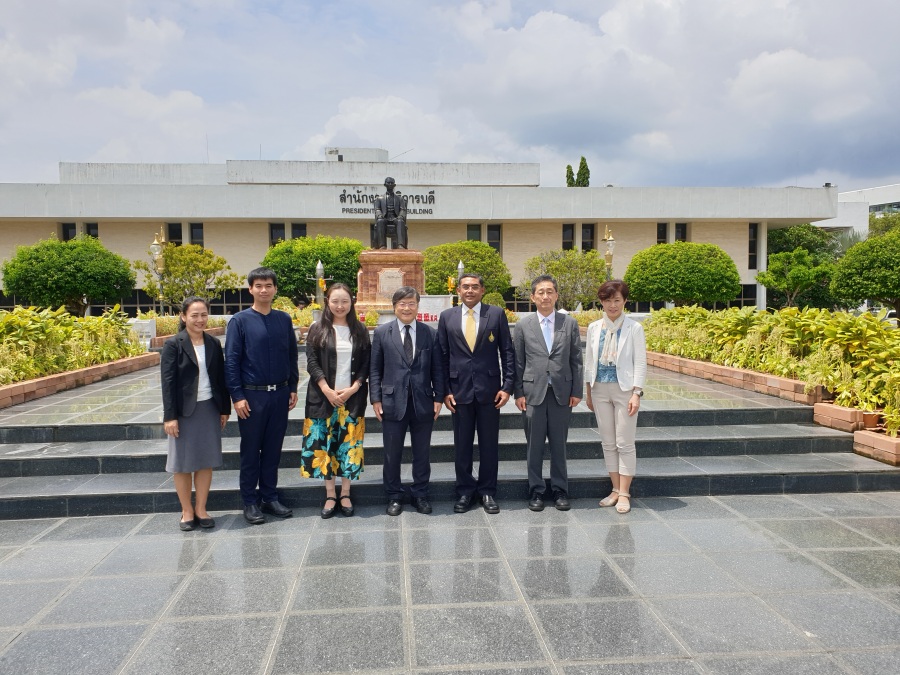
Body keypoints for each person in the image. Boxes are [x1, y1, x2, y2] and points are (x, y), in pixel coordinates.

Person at [225, 267, 299, 525]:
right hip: (251, 398)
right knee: (250, 450)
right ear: (251, 289)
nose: (264, 290)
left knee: (272, 450)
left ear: (275, 289)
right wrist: (237, 395)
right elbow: (231, 361)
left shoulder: (283, 319)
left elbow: (292, 355)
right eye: (259, 286)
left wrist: (293, 387)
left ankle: (269, 496)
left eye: (268, 285)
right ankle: (250, 501)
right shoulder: (239, 321)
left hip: (279, 395)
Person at [437, 272, 516, 514]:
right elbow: (441, 356)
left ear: (482, 290)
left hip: (490, 392)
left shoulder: (496, 314)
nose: (469, 291)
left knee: (489, 445)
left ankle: (487, 492)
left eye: (474, 287)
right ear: (458, 291)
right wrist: (445, 391)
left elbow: (507, 352)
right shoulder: (447, 317)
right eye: (465, 287)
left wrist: (507, 386)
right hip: (458, 392)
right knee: (462, 445)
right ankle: (464, 492)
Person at [370, 287, 445, 516]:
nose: (406, 308)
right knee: (392, 453)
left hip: (423, 402)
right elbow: (375, 369)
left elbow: (437, 368)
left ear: (417, 306)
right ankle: (394, 495)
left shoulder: (429, 333)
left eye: (411, 303)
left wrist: (439, 397)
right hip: (392, 402)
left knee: (422, 453)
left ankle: (420, 494)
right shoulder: (382, 332)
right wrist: (375, 398)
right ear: (395, 307)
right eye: (402, 303)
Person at [513, 275, 583, 512]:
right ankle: (536, 490)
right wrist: (518, 393)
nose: (545, 296)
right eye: (540, 292)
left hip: (562, 393)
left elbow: (576, 360)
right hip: (533, 393)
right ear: (533, 297)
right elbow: (518, 362)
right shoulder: (523, 325)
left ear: (556, 295)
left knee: (559, 445)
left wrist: (577, 390)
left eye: (550, 291)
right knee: (534, 445)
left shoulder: (569, 323)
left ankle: (560, 490)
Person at [161, 297, 231, 531]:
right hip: (183, 412)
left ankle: (201, 508)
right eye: (194, 315)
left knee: (205, 461)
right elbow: (168, 382)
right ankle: (187, 511)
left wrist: (224, 409)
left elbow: (221, 379)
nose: (200, 319)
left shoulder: (212, 343)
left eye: (203, 315)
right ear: (183, 317)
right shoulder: (174, 344)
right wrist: (169, 416)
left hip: (209, 408)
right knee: (182, 463)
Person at [301, 283, 371, 518]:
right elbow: (311, 361)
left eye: (345, 301)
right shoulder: (317, 328)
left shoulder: (359, 329)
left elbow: (366, 364)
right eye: (335, 301)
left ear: (352, 302)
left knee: (348, 446)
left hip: (351, 398)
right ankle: (331, 494)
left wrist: (353, 388)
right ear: (327, 302)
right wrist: (327, 389)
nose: (340, 306)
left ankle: (346, 493)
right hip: (323, 398)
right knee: (325, 448)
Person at [584, 280, 647, 514]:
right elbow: (589, 361)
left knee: (625, 443)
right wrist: (588, 392)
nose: (612, 305)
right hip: (600, 389)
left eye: (617, 300)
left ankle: (624, 493)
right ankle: (614, 488)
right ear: (601, 302)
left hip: (625, 390)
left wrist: (636, 393)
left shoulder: (634, 328)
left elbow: (640, 362)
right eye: (608, 300)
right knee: (608, 443)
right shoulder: (593, 328)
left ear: (625, 301)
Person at [372, 177, 408, 249]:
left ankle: (400, 245)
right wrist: (379, 215)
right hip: (385, 218)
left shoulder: (399, 199)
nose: (390, 184)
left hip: (395, 218)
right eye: (388, 183)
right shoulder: (379, 199)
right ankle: (382, 245)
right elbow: (377, 209)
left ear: (394, 185)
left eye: (392, 183)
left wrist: (400, 216)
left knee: (400, 221)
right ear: (385, 184)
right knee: (380, 221)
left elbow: (403, 210)